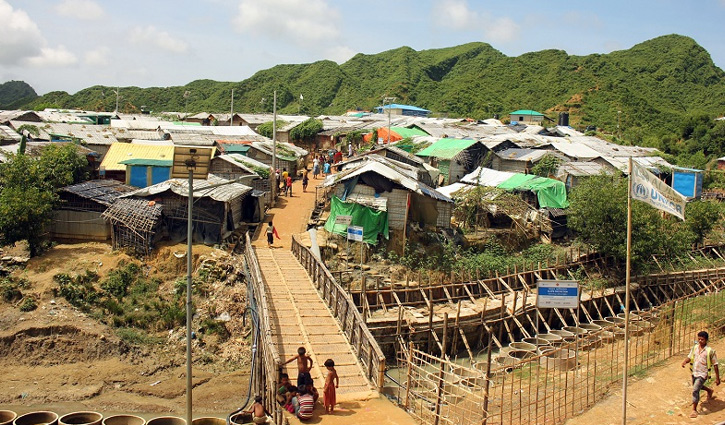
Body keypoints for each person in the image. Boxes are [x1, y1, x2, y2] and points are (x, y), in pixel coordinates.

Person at [681, 330, 720, 418]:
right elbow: (690, 357)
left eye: (702, 339)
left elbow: (715, 365)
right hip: (694, 372)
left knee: (695, 390)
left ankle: (694, 410)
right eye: (699, 339)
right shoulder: (695, 348)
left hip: (703, 373)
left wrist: (718, 378)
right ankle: (709, 390)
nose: (700, 341)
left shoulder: (710, 351)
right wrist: (684, 362)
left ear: (706, 340)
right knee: (697, 386)